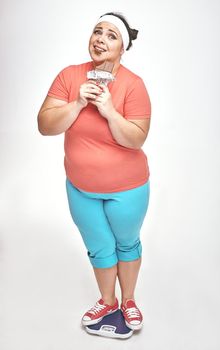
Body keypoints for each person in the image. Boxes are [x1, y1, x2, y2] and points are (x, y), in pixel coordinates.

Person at [37, 12, 151, 331]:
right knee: (99, 246)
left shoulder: (134, 85)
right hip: (81, 189)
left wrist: (110, 112)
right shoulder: (70, 76)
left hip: (128, 190)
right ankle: (108, 300)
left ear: (122, 48)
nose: (100, 38)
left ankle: (128, 300)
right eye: (97, 31)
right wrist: (76, 104)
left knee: (126, 244)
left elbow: (137, 138)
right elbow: (45, 126)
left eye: (111, 35)